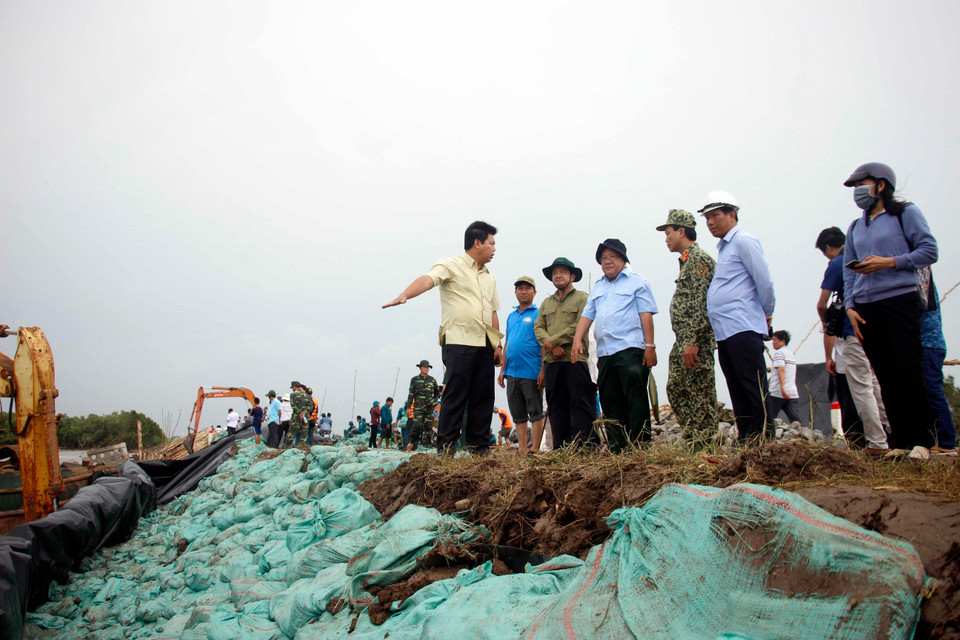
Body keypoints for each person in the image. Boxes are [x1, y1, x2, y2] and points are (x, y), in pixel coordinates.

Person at [384, 221, 503, 456]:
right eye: (491, 243)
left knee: (483, 396)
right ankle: (446, 447)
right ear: (477, 243)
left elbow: (493, 312)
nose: (494, 249)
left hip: (484, 344)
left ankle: (480, 447)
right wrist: (405, 295)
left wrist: (497, 345)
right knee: (456, 395)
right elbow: (428, 280)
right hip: (459, 341)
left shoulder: (490, 277)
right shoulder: (451, 265)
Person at [842, 162, 938, 449]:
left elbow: (929, 250)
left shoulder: (905, 214)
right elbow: (848, 272)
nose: (858, 192)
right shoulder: (856, 226)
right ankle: (900, 443)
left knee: (907, 369)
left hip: (899, 299)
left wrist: (890, 262)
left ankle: (922, 441)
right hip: (866, 308)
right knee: (884, 376)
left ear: (881, 185)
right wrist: (849, 306)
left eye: (862, 184)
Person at [701, 191, 775, 443]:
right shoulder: (725, 247)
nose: (710, 222)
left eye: (715, 215)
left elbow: (763, 280)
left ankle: (764, 442)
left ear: (731, 215)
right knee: (737, 389)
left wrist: (766, 313)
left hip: (743, 328)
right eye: (707, 217)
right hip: (726, 332)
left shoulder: (744, 241)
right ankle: (748, 442)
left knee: (753, 389)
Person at [573, 239, 658, 451]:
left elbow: (645, 315)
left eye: (612, 257)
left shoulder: (637, 282)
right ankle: (617, 447)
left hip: (631, 349)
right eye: (603, 258)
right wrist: (577, 339)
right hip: (606, 352)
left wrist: (650, 346)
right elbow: (587, 314)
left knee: (634, 398)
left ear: (623, 259)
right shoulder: (599, 287)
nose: (607, 261)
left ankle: (639, 446)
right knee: (611, 400)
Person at [815, 226, 889, 452]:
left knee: (861, 388)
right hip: (876, 327)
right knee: (876, 384)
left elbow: (822, 303)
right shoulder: (866, 257)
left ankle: (876, 442)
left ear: (829, 247)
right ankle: (890, 431)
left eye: (825, 252)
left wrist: (826, 321)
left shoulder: (838, 264)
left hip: (851, 330)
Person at [657, 209, 718, 444]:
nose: (666, 238)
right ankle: (694, 437)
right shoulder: (686, 261)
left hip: (695, 339)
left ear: (682, 231)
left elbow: (700, 300)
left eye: (668, 232)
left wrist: (692, 340)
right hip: (683, 338)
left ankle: (706, 441)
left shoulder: (699, 260)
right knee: (676, 387)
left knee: (699, 392)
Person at [535, 258, 595, 449]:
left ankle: (585, 447)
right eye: (554, 273)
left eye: (562, 272)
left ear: (572, 276)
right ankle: (561, 449)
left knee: (580, 404)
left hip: (574, 360)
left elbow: (579, 325)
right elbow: (538, 327)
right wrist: (551, 346)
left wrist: (554, 340)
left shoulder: (583, 298)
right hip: (552, 362)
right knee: (556, 407)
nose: (558, 275)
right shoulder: (546, 302)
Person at [497, 276, 544, 455]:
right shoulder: (511, 316)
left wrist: (543, 370)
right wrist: (502, 370)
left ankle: (535, 448)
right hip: (512, 372)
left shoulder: (539, 314)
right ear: (515, 292)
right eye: (520, 288)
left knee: (536, 412)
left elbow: (543, 343)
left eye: (527, 288)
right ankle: (523, 449)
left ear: (534, 292)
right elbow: (508, 343)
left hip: (531, 370)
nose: (523, 291)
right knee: (518, 414)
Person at [921, 282, 957, 455]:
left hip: (929, 344)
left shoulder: (921, 280)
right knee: (928, 393)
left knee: (932, 392)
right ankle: (937, 440)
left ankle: (946, 442)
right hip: (928, 344)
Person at [765, 330, 803, 427]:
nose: (773, 342)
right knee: (796, 421)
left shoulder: (779, 353)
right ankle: (806, 436)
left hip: (778, 392)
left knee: (769, 418)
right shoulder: (790, 354)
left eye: (774, 340)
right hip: (791, 393)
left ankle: (768, 438)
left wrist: (782, 388)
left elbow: (781, 370)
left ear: (782, 341)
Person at [404, 361, 441, 450]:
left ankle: (426, 446)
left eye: (428, 367)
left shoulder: (432, 380)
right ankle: (412, 444)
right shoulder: (415, 379)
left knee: (428, 427)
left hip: (429, 408)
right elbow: (411, 394)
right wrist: (408, 407)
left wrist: (434, 401)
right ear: (420, 368)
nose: (426, 369)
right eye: (424, 367)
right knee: (417, 426)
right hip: (418, 408)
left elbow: (437, 392)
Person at [289, 381, 312, 447]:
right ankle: (302, 447)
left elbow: (293, 406)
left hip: (298, 417)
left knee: (292, 434)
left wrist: (300, 412)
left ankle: (289, 447)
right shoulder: (308, 397)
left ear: (294, 387)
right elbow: (311, 407)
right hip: (306, 417)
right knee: (304, 435)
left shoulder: (293, 395)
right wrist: (304, 412)